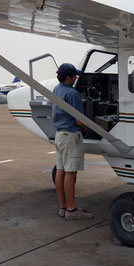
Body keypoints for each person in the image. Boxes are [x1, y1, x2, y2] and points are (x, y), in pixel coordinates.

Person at [52, 63, 93, 220]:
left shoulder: (57, 89)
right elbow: (80, 120)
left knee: (60, 170)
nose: (76, 78)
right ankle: (71, 210)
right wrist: (88, 128)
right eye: (74, 76)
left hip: (59, 135)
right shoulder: (72, 93)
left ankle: (63, 206)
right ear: (68, 77)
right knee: (70, 172)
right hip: (71, 136)